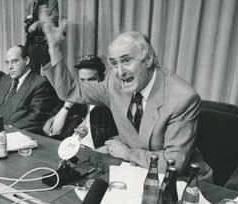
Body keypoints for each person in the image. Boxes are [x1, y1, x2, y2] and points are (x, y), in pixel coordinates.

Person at [41, 17, 212, 180]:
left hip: (180, 181)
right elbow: (70, 91)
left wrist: (127, 153)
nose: (120, 72)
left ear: (149, 59)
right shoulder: (113, 83)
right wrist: (54, 49)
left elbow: (173, 162)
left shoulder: (182, 98)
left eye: (127, 60)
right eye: (114, 63)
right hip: (134, 172)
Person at [43, 55, 118, 151]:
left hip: (93, 153)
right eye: (82, 80)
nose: (86, 85)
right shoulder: (73, 96)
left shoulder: (110, 102)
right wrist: (67, 105)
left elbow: (118, 140)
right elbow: (52, 130)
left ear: (102, 79)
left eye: (91, 79)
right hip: (65, 149)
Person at [0, 45, 58, 134]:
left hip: (12, 132)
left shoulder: (40, 83)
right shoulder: (5, 79)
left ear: (27, 61)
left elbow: (36, 117)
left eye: (14, 62)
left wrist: (10, 129)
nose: (10, 67)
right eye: (7, 62)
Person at [24, 0, 58, 75]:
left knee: (50, 72)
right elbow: (28, 20)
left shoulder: (52, 2)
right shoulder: (30, 4)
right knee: (33, 71)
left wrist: (37, 24)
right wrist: (27, 24)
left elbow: (55, 18)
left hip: (46, 42)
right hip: (32, 41)